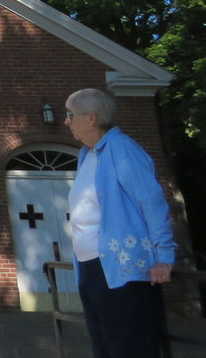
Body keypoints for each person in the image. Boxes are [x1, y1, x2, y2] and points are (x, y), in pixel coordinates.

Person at [65, 88, 177, 358]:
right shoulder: (87, 155)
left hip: (123, 269)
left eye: (70, 115)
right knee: (104, 348)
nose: (66, 121)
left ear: (91, 118)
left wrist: (164, 256)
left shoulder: (122, 148)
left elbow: (151, 202)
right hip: (91, 268)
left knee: (130, 348)